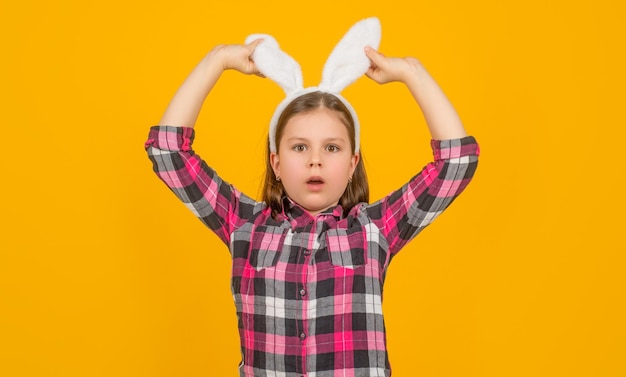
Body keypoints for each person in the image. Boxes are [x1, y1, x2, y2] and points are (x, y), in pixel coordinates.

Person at [145, 21, 479, 377]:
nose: (315, 159)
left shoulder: (373, 229)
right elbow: (168, 152)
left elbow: (456, 164)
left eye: (331, 147)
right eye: (299, 146)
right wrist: (218, 59)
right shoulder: (243, 224)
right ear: (276, 161)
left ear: (352, 164)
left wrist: (412, 72)